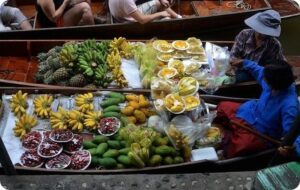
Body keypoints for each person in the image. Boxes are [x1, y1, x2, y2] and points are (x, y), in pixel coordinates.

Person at [215, 59, 299, 158]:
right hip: (249, 112)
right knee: (223, 106)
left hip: (260, 133)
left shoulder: (290, 105)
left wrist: (292, 149)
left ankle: (227, 144)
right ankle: (232, 134)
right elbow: (258, 70)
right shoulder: (271, 79)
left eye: (265, 79)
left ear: (273, 83)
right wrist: (244, 62)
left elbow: (293, 134)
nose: (263, 78)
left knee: (242, 146)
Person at [230, 10, 285, 83]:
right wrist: (232, 67)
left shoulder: (275, 45)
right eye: (258, 30)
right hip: (240, 68)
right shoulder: (244, 34)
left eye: (264, 32)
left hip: (259, 74)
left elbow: (275, 68)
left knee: (238, 78)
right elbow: (234, 54)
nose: (260, 34)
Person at [108, 0, 181, 24]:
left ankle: (177, 17)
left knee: (159, 2)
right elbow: (142, 20)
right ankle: (179, 19)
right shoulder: (126, 1)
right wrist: (160, 14)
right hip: (126, 19)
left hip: (122, 13)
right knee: (159, 5)